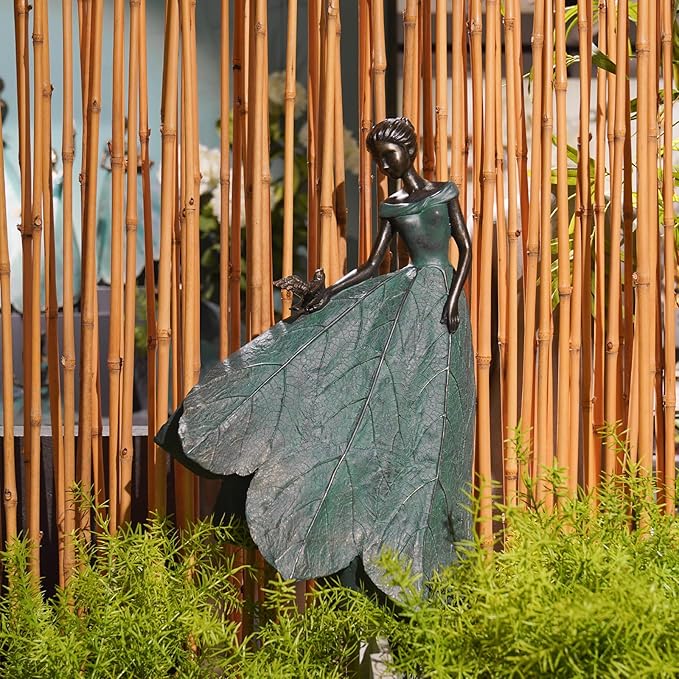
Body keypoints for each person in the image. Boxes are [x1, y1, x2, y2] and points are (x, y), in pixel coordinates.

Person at [156, 117, 475, 598]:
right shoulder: (392, 206)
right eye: (378, 160)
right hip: (408, 297)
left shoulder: (443, 193)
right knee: (368, 382)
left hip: (442, 304)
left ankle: (429, 553)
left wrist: (452, 298)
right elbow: (371, 265)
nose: (385, 166)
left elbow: (464, 249)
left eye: (389, 156)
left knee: (436, 414)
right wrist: (329, 293)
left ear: (409, 150)